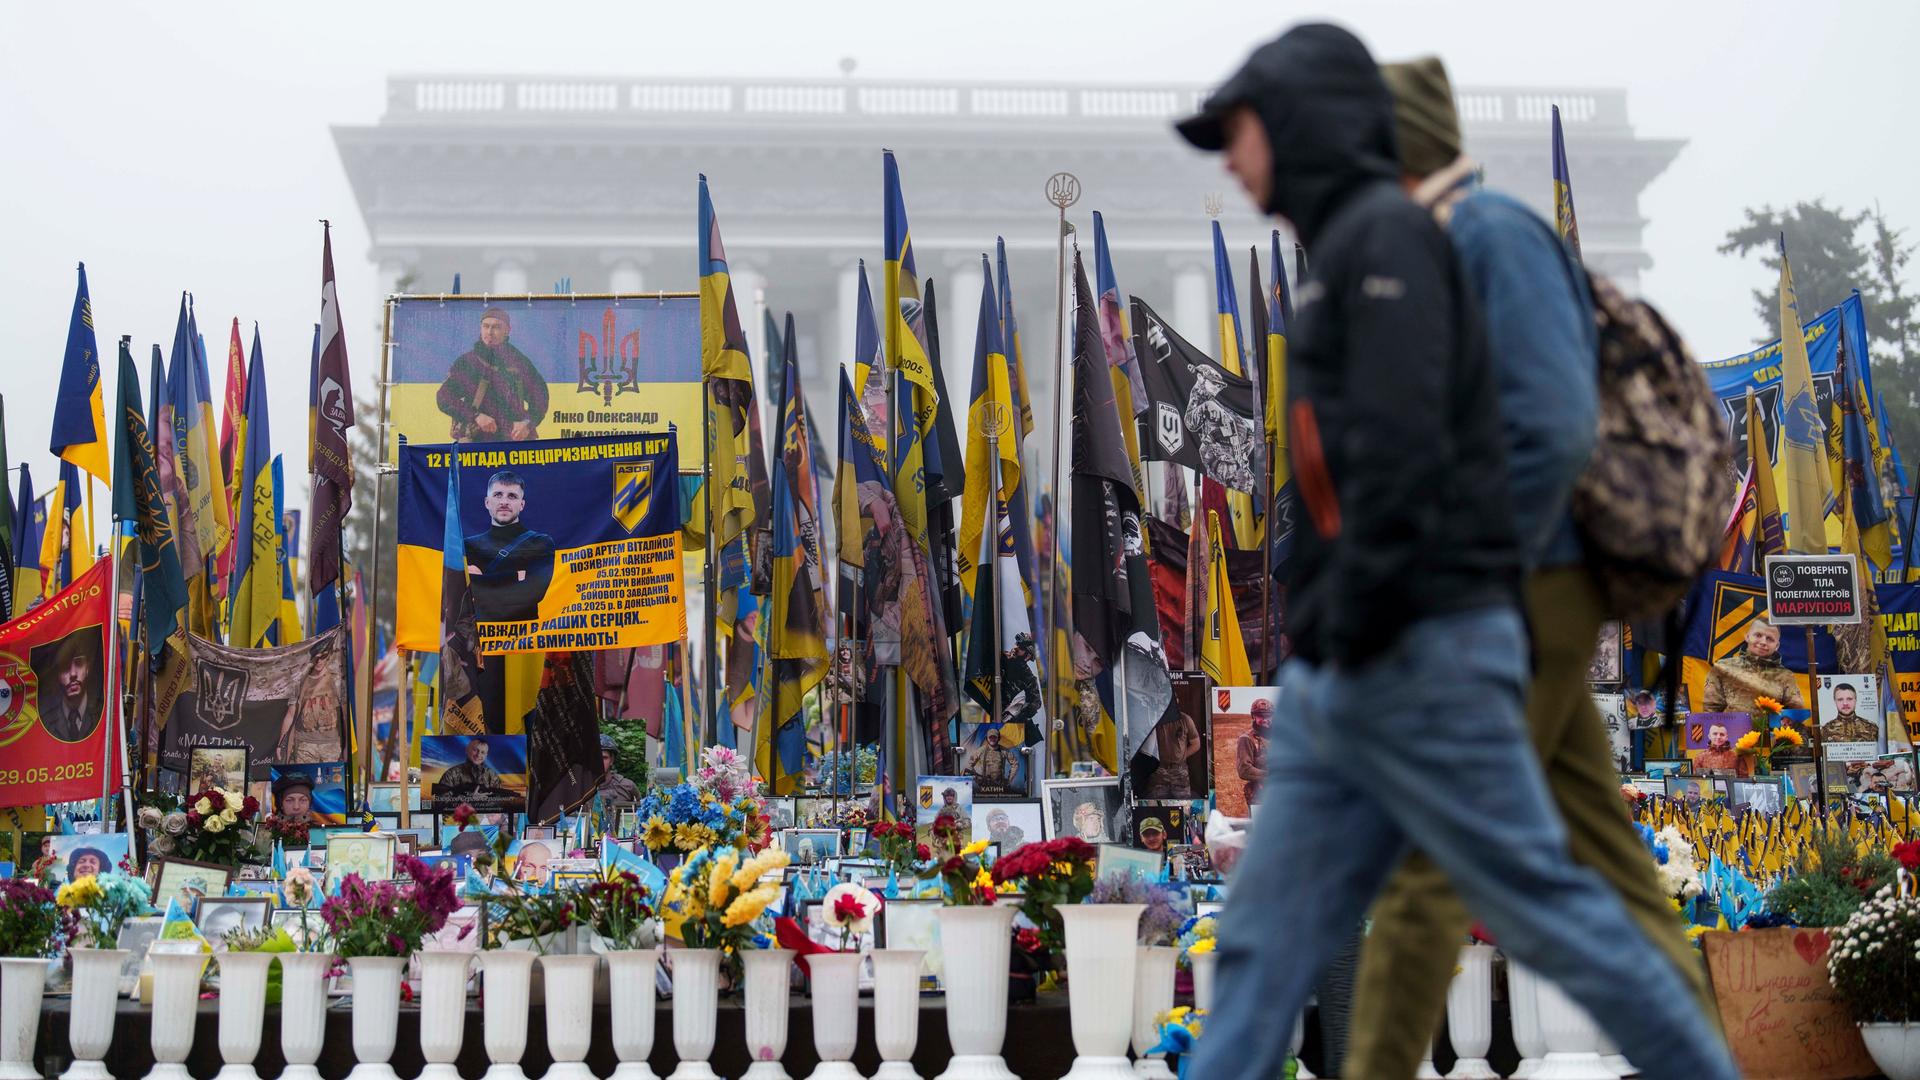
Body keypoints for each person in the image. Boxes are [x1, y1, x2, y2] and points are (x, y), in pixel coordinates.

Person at [1175, 26, 1740, 1080]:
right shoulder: (1360, 247)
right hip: (1384, 644)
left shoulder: (1436, 239)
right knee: (1273, 938)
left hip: (1457, 626)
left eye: (1242, 132)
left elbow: (1520, 436)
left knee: (1509, 896)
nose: (1230, 159)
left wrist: (1432, 586)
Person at [436, 307, 548, 442]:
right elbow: (444, 397)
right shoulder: (467, 362)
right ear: (480, 328)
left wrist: (527, 424)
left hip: (514, 440)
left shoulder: (519, 362)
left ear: (507, 330)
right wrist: (475, 416)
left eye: (496, 327)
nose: (489, 332)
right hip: (476, 440)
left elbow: (540, 398)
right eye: (486, 326)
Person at [465, 471, 556, 624]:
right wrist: (515, 577)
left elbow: (533, 594)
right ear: (487, 502)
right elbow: (463, 596)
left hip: (525, 640)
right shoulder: (467, 545)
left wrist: (481, 581)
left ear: (522, 505)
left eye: (512, 496)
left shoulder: (541, 542)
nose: (504, 502)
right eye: (498, 495)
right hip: (479, 638)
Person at [1701, 619, 1805, 713]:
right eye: (1758, 635)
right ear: (1747, 636)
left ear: (1777, 646)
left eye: (1769, 639)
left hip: (1770, 733)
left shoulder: (1786, 676)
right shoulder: (1723, 668)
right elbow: (1710, 711)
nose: (1763, 642)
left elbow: (1795, 714)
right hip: (1730, 732)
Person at [39, 631, 101, 743]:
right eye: (65, 667)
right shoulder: (45, 721)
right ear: (57, 674)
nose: (73, 674)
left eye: (79, 663)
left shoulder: (103, 714)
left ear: (87, 668)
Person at [277, 665, 344, 763]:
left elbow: (345, 715)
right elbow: (291, 715)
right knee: (303, 778)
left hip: (331, 745)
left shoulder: (336, 679)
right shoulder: (299, 680)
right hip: (304, 746)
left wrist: (347, 747)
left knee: (331, 777)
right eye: (316, 657)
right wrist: (281, 744)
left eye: (323, 656)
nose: (319, 661)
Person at [1144, 708, 1202, 799]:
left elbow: (1196, 744)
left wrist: (1181, 756)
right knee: (1157, 807)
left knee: (1184, 806)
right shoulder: (1153, 718)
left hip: (1180, 773)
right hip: (1158, 772)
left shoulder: (1185, 719)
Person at [1233, 699, 1271, 807]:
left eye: (1269, 716)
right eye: (1260, 716)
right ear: (1253, 716)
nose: (1265, 719)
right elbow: (1244, 770)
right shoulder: (1246, 739)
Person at [439, 738, 506, 796]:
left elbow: (499, 802)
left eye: (482, 752)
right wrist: (468, 799)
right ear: (467, 750)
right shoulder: (451, 774)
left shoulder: (492, 775)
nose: (478, 755)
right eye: (475, 750)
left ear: (486, 756)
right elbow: (440, 802)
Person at [596, 733, 641, 805]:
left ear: (612, 760)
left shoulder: (627, 787)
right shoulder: (580, 788)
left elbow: (642, 812)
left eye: (604, 758)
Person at [968, 727, 1017, 792]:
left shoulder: (1004, 751)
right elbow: (969, 764)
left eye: (994, 737)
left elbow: (1015, 764)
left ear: (998, 738)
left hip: (1000, 786)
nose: (992, 739)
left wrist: (1009, 780)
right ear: (987, 738)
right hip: (984, 787)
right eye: (990, 737)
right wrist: (978, 779)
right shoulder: (981, 750)